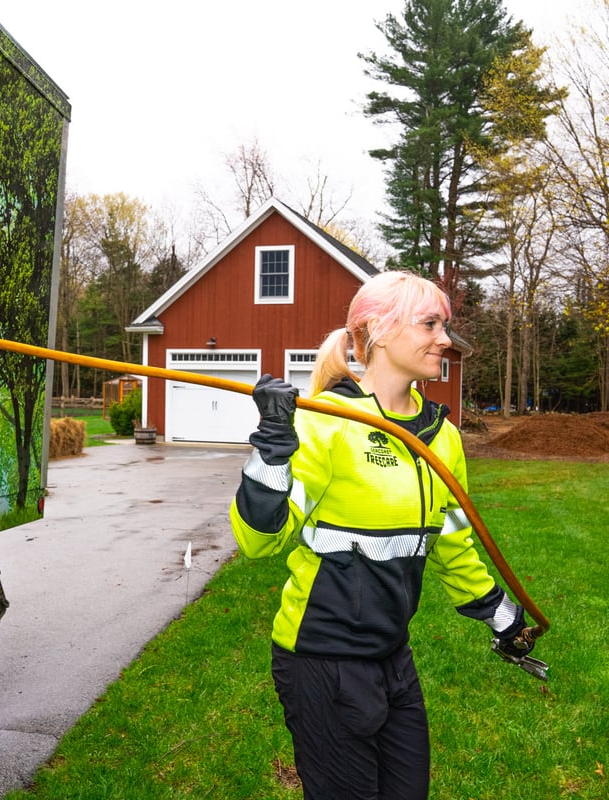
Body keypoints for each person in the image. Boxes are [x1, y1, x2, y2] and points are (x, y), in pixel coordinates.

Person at [229, 270, 539, 800]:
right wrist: (272, 454)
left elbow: (451, 540)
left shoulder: (442, 437)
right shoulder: (327, 423)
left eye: (445, 325)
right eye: (429, 324)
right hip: (322, 658)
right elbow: (259, 541)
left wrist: (501, 616)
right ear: (378, 330)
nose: (445, 338)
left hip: (393, 655)